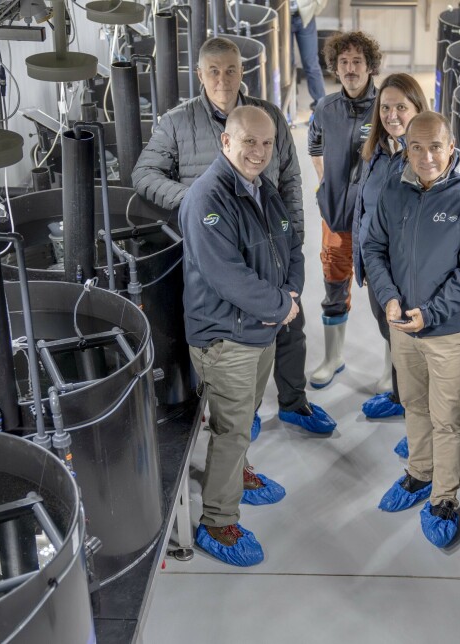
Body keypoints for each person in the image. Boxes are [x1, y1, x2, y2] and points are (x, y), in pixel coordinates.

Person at [134, 36, 335, 435]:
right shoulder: (178, 122)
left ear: (243, 71)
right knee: (244, 336)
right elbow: (143, 175)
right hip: (221, 248)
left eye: (230, 69)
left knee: (291, 323)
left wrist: (293, 235)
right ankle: (247, 411)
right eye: (213, 71)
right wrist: (194, 200)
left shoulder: (268, 116)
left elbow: (291, 179)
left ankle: (294, 401)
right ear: (200, 75)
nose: (222, 79)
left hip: (272, 243)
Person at [363, 112, 460, 548]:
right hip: (403, 327)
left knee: (446, 418)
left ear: (452, 145)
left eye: (435, 146)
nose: (426, 157)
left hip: (447, 332)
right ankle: (418, 473)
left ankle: (443, 497)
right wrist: (388, 298)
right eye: (416, 147)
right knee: (414, 405)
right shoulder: (394, 190)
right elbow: (373, 247)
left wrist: (432, 314)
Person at [180, 106, 303, 566]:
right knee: (231, 430)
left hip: (261, 328)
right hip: (225, 336)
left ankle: (237, 474)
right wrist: (281, 307)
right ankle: (217, 521)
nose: (259, 151)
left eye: (267, 143)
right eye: (249, 141)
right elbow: (226, 276)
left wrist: (291, 293)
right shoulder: (207, 199)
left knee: (246, 414)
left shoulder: (262, 188)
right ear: (226, 142)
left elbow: (290, 243)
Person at [306, 31, 381, 388]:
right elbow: (314, 147)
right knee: (334, 284)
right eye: (344, 62)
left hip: (378, 222)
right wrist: (324, 188)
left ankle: (391, 370)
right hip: (336, 217)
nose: (350, 69)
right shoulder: (325, 108)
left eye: (357, 62)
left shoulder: (386, 107)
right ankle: (333, 358)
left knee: (388, 289)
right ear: (335, 67)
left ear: (370, 66)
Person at [353, 73, 427, 421]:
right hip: (377, 266)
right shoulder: (378, 151)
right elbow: (364, 210)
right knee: (390, 335)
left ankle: (417, 420)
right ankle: (400, 398)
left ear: (418, 108)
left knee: (412, 347)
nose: (392, 114)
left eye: (401, 107)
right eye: (385, 107)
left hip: (407, 273)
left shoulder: (424, 159)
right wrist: (363, 264)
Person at [290, 0, 328, 110]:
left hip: (305, 17)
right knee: (287, 64)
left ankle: (321, 106)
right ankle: (290, 104)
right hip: (282, 18)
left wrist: (315, 8)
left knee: (311, 63)